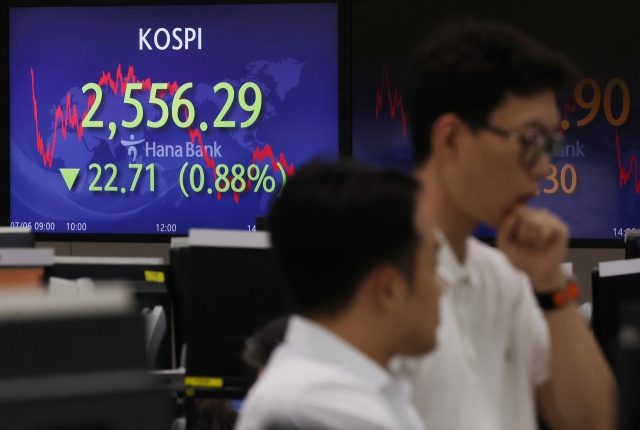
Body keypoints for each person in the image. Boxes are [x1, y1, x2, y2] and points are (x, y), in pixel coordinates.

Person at [405, 18, 616, 430]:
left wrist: (550, 282)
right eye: (529, 141)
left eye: (549, 147)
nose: (542, 169)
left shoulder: (507, 278)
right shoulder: (374, 274)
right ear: (451, 139)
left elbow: (595, 420)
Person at [234, 161, 442, 430]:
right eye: (434, 268)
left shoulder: (334, 390)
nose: (442, 288)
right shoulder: (320, 409)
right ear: (388, 289)